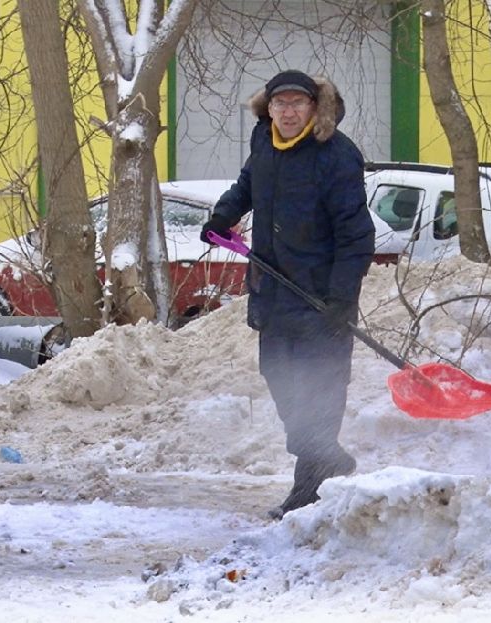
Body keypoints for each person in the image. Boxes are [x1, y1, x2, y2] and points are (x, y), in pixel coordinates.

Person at [201, 70, 375, 520]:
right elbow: (247, 186)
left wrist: (341, 296)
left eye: (299, 103)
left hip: (321, 297)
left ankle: (309, 491)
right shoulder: (265, 143)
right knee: (279, 374)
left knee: (320, 386)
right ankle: (322, 456)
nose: (289, 112)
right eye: (281, 104)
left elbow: (356, 234)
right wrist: (223, 217)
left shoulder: (336, 155)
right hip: (274, 289)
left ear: (315, 108)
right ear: (269, 108)